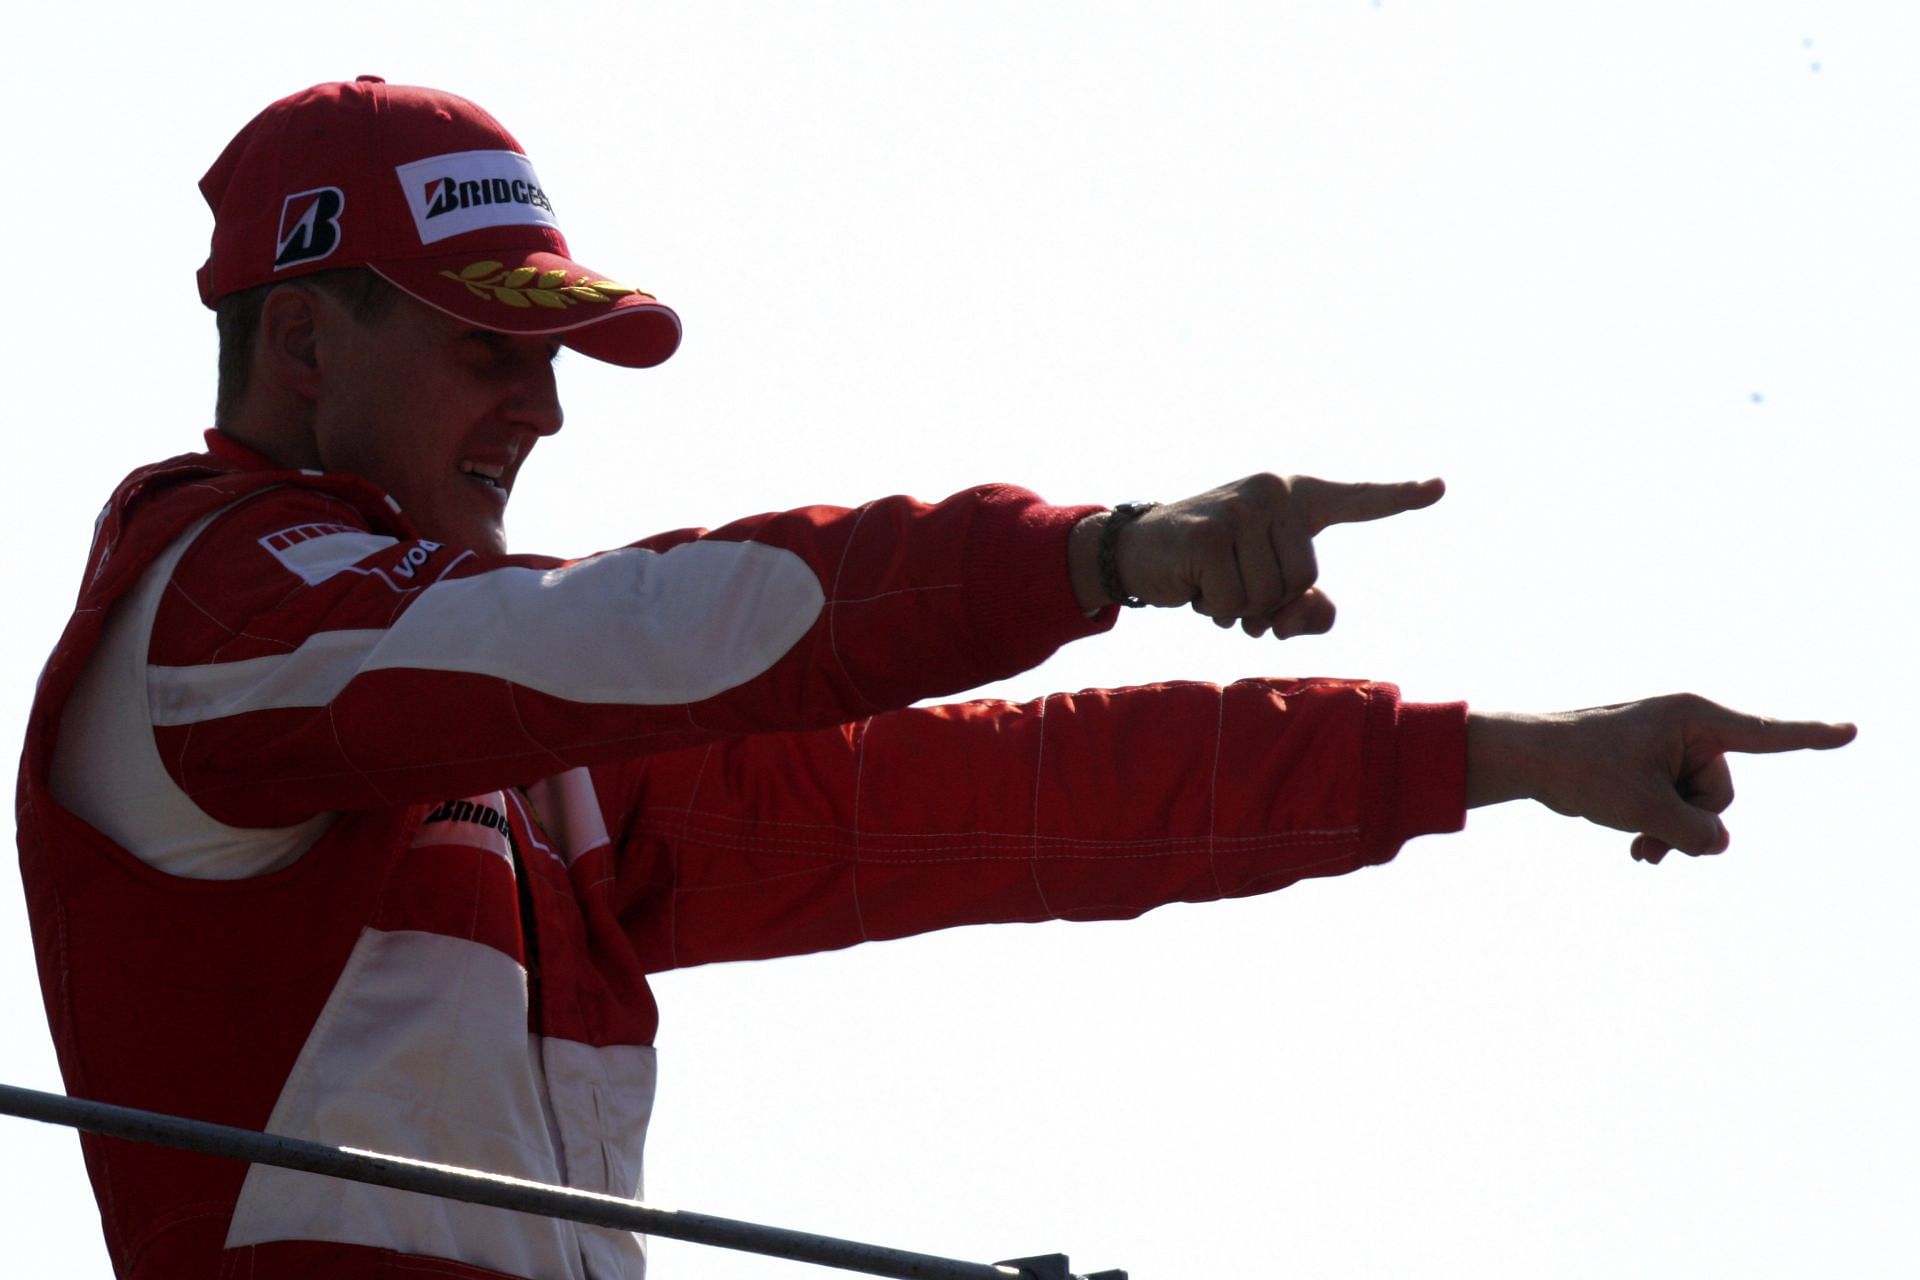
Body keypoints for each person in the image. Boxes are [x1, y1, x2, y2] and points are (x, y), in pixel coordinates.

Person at [14, 77, 1852, 1280]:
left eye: (553, 353)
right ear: (311, 344)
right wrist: (1101, 549)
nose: (546, 407)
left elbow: (982, 801)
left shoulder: (513, 750)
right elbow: (633, 630)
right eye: (491, 344)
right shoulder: (215, 613)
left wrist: (1500, 755)